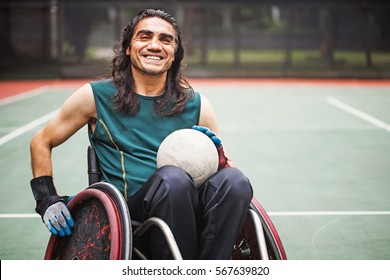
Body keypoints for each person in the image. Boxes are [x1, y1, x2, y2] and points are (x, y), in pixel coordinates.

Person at [29, 8, 253, 260]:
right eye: (144, 37)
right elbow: (41, 141)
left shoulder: (198, 104)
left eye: (165, 40)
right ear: (128, 48)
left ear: (174, 54)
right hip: (130, 216)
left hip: (192, 211)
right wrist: (46, 199)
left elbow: (224, 172)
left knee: (236, 182)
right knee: (173, 180)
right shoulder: (95, 97)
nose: (155, 45)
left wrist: (220, 158)